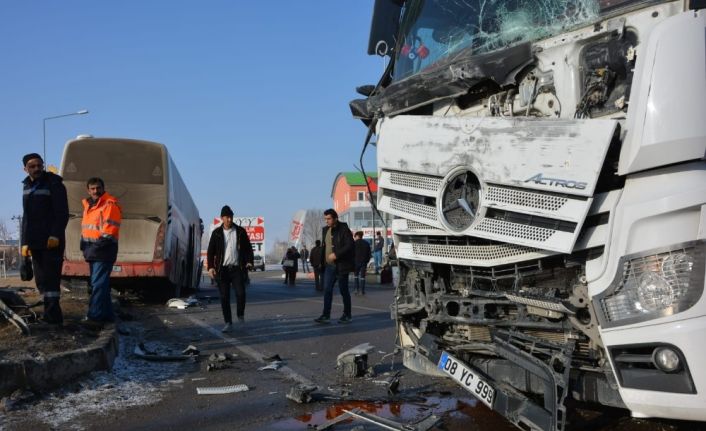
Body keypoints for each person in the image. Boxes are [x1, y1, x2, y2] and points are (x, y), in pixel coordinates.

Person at [20, 153, 69, 326]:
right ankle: (48, 314)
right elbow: (27, 217)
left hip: (51, 241)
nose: (37, 169)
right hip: (35, 241)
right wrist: (24, 242)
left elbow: (62, 213)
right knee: (41, 280)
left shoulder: (54, 183)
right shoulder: (26, 186)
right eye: (32, 166)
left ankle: (54, 317)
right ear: (25, 168)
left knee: (51, 279)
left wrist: (55, 234)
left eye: (39, 165)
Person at [80, 177, 122, 326]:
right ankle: (108, 315)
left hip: (103, 251)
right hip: (93, 251)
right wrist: (84, 246)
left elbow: (108, 232)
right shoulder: (88, 206)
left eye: (98, 188)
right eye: (92, 188)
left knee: (98, 284)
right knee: (100, 284)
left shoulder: (109, 205)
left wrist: (92, 248)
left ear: (103, 188)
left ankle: (95, 316)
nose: (95, 191)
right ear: (88, 190)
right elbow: (87, 229)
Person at [207, 205, 254, 333]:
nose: (229, 219)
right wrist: (210, 267)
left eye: (231, 217)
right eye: (227, 217)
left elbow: (248, 248)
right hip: (222, 270)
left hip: (237, 269)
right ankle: (228, 322)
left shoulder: (240, 231)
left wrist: (249, 261)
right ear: (222, 218)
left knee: (241, 293)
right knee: (224, 297)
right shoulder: (216, 233)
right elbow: (210, 252)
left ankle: (240, 315)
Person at [314, 209, 354, 324]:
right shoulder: (325, 230)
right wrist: (321, 262)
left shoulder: (343, 229)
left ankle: (347, 314)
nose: (327, 221)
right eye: (325, 219)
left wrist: (336, 254)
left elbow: (350, 245)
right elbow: (325, 247)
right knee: (327, 290)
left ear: (335, 218)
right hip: (329, 266)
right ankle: (326, 315)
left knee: (343, 290)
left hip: (341, 265)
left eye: (329, 219)